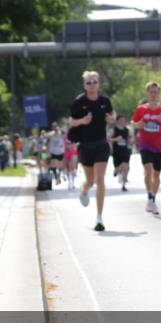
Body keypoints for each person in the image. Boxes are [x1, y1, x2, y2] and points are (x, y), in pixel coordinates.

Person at [68, 70, 115, 231]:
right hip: (85, 146)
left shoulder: (104, 101)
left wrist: (111, 118)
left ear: (98, 83)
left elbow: (112, 114)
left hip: (101, 144)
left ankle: (99, 218)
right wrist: (82, 120)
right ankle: (84, 189)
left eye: (95, 81)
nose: (92, 84)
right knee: (90, 181)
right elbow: (71, 121)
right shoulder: (79, 102)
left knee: (100, 179)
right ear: (84, 85)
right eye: (89, 82)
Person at [132, 82, 161, 215]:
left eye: (155, 92)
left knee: (156, 174)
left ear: (158, 93)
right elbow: (133, 123)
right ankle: (150, 197)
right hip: (145, 144)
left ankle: (152, 198)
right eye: (151, 92)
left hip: (159, 146)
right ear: (147, 93)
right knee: (148, 170)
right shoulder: (141, 109)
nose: (153, 94)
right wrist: (138, 124)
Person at [109, 115, 132, 191]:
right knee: (118, 167)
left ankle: (123, 185)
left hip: (125, 151)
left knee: (125, 166)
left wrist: (131, 140)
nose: (123, 121)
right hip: (116, 151)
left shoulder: (127, 130)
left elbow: (132, 138)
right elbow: (107, 138)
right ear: (117, 121)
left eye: (124, 120)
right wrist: (116, 139)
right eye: (121, 120)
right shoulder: (114, 130)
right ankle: (116, 170)